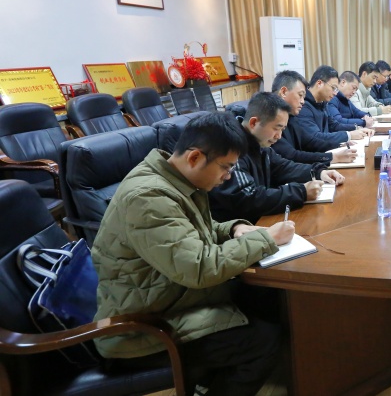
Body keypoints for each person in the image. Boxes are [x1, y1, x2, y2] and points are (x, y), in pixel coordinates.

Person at [91, 112, 296, 395]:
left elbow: (200, 230)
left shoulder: (175, 180)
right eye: (226, 167)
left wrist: (234, 228)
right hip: (140, 329)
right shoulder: (148, 198)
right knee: (264, 341)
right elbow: (198, 268)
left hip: (169, 298)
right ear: (195, 157)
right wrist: (265, 239)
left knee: (268, 297)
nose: (228, 176)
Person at [210, 92, 344, 223]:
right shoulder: (232, 148)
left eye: (282, 129)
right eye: (276, 128)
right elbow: (247, 197)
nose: (279, 136)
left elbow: (283, 167)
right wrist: (301, 192)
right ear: (254, 123)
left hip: (260, 221)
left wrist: (318, 172)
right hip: (239, 228)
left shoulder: (260, 143)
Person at [270, 70, 357, 166]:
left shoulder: (291, 117)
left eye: (303, 96)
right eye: (300, 95)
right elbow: (292, 156)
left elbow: (309, 141)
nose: (302, 101)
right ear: (283, 92)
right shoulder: (270, 118)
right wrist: (333, 157)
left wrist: (339, 144)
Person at [296, 65, 373, 153]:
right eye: (333, 88)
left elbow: (333, 125)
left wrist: (357, 128)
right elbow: (315, 138)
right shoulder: (303, 106)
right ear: (319, 83)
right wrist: (348, 135)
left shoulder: (322, 103)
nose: (335, 93)